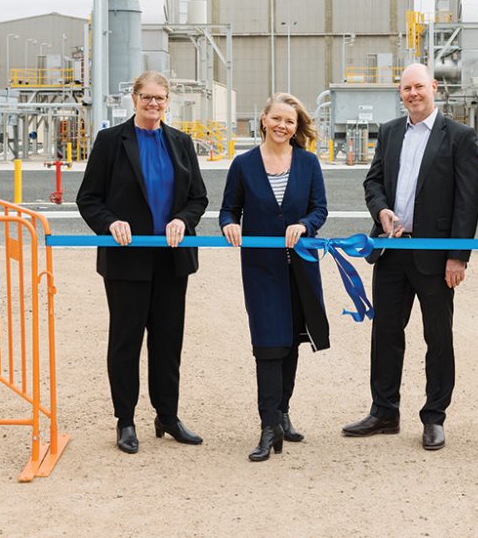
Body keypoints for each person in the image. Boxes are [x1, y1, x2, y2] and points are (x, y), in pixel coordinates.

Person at [342, 63, 478, 451]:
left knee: (437, 337)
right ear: (400, 93)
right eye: (406, 88)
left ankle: (435, 416)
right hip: (391, 250)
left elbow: (468, 201)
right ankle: (384, 411)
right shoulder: (389, 132)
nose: (413, 94)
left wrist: (458, 256)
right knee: (386, 333)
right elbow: (372, 181)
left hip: (435, 256)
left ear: (433, 88)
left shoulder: (459, 136)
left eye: (419, 86)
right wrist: (381, 210)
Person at [76, 71, 209, 454]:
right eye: (147, 97)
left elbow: (198, 198)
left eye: (160, 98)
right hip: (127, 260)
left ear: (168, 101)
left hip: (171, 259)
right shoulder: (110, 142)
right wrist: (109, 222)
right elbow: (89, 198)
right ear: (133, 98)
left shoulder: (181, 143)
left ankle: (167, 416)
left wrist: (183, 220)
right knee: (126, 341)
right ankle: (126, 420)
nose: (154, 104)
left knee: (168, 342)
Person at [220, 93, 330, 462]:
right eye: (277, 118)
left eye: (291, 122)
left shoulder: (308, 163)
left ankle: (282, 412)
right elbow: (228, 209)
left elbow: (320, 209)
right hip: (262, 269)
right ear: (264, 119)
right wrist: (229, 224)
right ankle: (268, 426)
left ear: (296, 128)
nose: (283, 126)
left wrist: (305, 224)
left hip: (300, 266)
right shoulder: (244, 164)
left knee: (291, 341)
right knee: (268, 343)